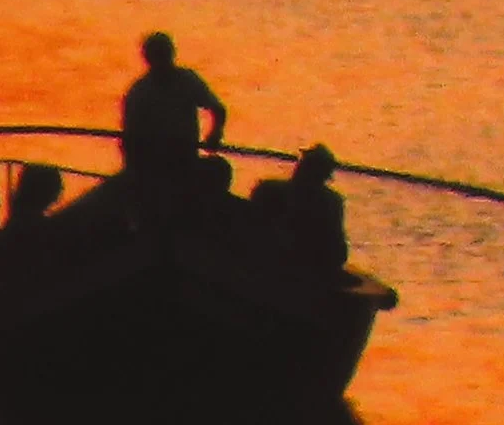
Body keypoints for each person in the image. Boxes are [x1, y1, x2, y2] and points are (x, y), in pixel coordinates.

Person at [118, 32, 227, 201]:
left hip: (186, 160)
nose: (162, 60)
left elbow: (218, 109)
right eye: (158, 55)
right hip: (153, 167)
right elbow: (129, 140)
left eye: (164, 54)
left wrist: (215, 133)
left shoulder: (187, 80)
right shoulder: (140, 92)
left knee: (219, 168)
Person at [249, 142, 349, 271]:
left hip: (275, 262)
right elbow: (339, 250)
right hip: (308, 265)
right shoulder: (333, 201)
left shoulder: (268, 188)